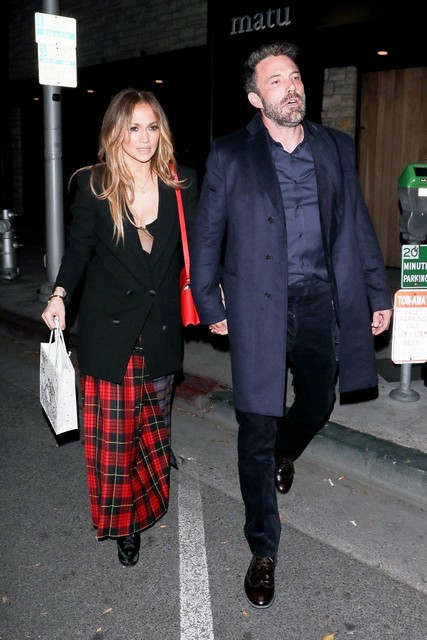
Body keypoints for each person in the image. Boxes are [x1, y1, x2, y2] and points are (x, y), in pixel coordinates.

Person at [190, 42, 393, 608]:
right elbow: (207, 235)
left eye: (295, 76)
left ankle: (282, 453)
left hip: (318, 298)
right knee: (257, 421)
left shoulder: (334, 146)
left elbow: (357, 223)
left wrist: (376, 292)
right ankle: (263, 547)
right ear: (256, 98)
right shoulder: (230, 155)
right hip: (257, 305)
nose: (292, 87)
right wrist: (210, 303)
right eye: (277, 80)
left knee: (319, 400)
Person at [41, 88, 198, 567]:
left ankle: (147, 504)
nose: (144, 138)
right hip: (109, 333)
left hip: (161, 330)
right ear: (116, 131)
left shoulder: (181, 184)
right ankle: (124, 526)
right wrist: (59, 295)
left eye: (152, 127)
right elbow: (78, 251)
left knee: (152, 433)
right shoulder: (95, 185)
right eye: (134, 128)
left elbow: (201, 249)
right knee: (114, 441)